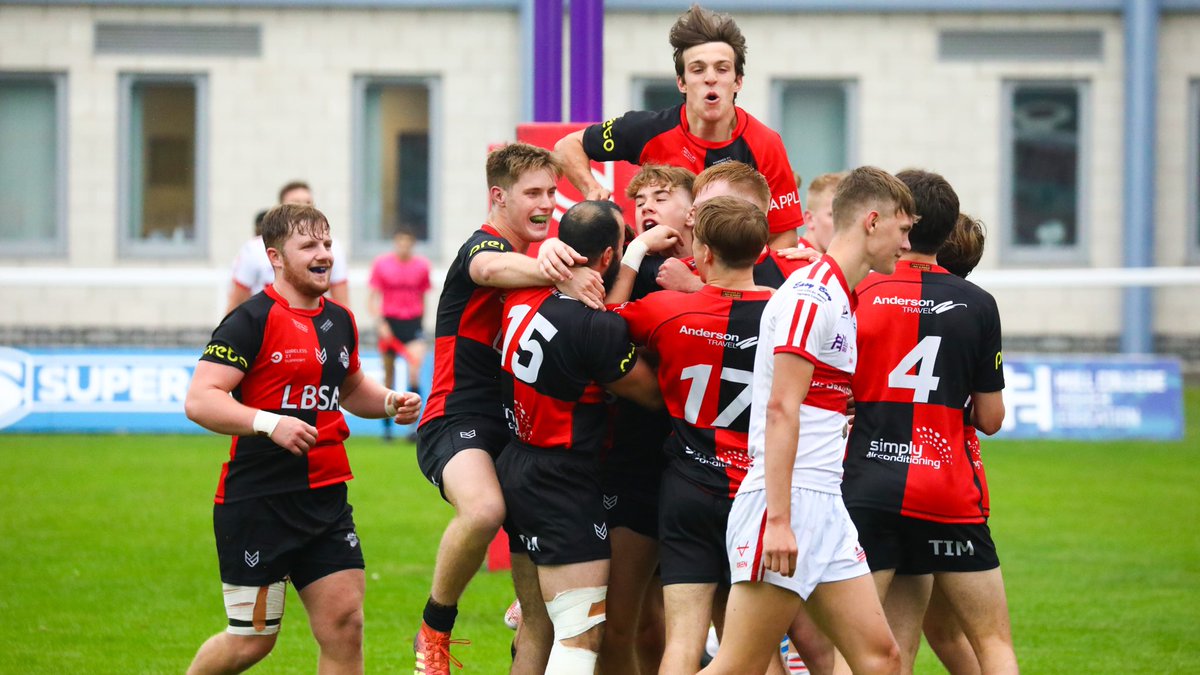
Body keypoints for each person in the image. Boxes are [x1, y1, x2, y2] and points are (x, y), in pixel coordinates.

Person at [184, 203, 422, 675]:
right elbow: (200, 399)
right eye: (309, 245)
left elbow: (351, 387)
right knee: (251, 642)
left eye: (328, 244)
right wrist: (269, 423)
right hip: (258, 502)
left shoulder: (340, 320)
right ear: (275, 257)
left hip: (326, 498)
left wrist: (391, 401)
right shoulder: (250, 321)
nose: (324, 255)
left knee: (346, 625)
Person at [702, 166, 916, 675]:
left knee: (880, 659)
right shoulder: (812, 295)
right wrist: (778, 520)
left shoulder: (839, 294)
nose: (907, 244)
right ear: (871, 221)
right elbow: (780, 408)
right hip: (787, 503)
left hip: (825, 504)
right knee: (737, 666)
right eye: (904, 229)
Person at [412, 142, 605, 675]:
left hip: (519, 438)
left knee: (540, 625)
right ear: (498, 197)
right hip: (457, 418)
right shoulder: (485, 247)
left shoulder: (545, 258)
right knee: (483, 510)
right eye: (533, 194)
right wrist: (556, 270)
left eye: (552, 192)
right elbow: (492, 270)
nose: (547, 204)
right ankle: (434, 629)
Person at [842, 169, 1016, 675]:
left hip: (868, 487)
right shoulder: (979, 305)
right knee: (993, 646)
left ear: (902, 220)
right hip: (946, 491)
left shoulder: (862, 291)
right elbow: (991, 418)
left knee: (867, 656)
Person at [497, 200, 662, 674]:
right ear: (608, 257)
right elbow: (652, 396)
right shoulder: (594, 327)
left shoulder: (523, 292)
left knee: (537, 625)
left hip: (517, 462)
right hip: (562, 480)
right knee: (581, 635)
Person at [614, 196, 775, 674]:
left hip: (688, 490)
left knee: (681, 645)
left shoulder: (667, 309)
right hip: (757, 492)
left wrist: (632, 256)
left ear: (701, 253)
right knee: (752, 650)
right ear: (762, 250)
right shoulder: (787, 311)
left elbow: (606, 319)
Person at [554, 4, 804, 249]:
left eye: (722, 69)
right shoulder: (648, 129)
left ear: (737, 81)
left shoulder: (765, 143)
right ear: (681, 83)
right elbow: (567, 145)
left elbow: (784, 239)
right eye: (698, 69)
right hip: (658, 273)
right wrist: (592, 188)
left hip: (727, 282)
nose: (710, 78)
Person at [597, 164, 695, 675]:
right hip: (636, 462)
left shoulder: (727, 266)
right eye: (640, 201)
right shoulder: (629, 274)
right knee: (631, 619)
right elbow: (603, 337)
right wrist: (633, 257)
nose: (648, 206)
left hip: (707, 472)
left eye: (662, 196)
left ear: (694, 208)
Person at [227, 181, 350, 314]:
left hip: (312, 321)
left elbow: (342, 301)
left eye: (308, 203)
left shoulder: (333, 247)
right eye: (295, 203)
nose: (303, 208)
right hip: (270, 322)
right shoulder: (254, 249)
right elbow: (236, 303)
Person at [367, 226, 432, 440]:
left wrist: (422, 323)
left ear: (413, 244)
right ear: (396, 243)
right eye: (400, 242)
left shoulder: (422, 266)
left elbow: (424, 296)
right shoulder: (382, 264)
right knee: (389, 375)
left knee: (414, 371)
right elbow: (373, 298)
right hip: (390, 323)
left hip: (412, 323)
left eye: (408, 242)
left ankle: (413, 428)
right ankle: (387, 429)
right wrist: (380, 323)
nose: (404, 246)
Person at [801, 172, 847, 254]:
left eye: (847, 216)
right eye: (833, 215)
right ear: (810, 219)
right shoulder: (791, 262)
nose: (843, 224)